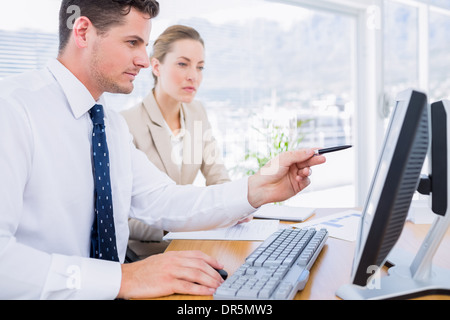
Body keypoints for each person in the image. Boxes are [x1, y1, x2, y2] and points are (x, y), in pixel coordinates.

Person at [0, 0, 326, 300]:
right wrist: (123, 278)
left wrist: (258, 188)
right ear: (83, 31)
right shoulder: (13, 110)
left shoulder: (108, 125)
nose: (144, 60)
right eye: (132, 42)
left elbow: (164, 201)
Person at [121, 25, 230, 256]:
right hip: (149, 254)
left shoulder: (197, 112)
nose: (193, 76)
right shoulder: (126, 124)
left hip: (194, 245)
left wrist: (234, 206)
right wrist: (185, 223)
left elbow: (218, 177)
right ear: (156, 66)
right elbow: (122, 219)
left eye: (200, 67)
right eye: (183, 64)